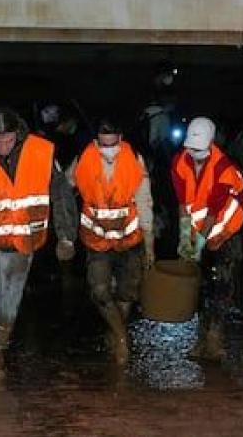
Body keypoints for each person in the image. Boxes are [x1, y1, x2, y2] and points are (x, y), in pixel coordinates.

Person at [0, 107, 78, 379]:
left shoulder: (42, 153)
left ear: (18, 134)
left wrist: (66, 236)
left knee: (9, 302)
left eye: (8, 139)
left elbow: (62, 195)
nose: (3, 145)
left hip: (23, 242)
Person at [68, 118, 155, 365]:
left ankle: (116, 331)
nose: (108, 150)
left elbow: (144, 200)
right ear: (96, 142)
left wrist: (149, 244)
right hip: (96, 241)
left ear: (121, 139)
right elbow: (65, 187)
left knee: (127, 294)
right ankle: (121, 339)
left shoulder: (134, 160)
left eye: (113, 144)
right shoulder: (83, 160)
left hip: (130, 239)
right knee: (100, 291)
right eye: (103, 145)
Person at [171, 116, 243, 361]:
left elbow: (214, 212)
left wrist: (203, 242)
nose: (194, 154)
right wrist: (185, 238)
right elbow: (183, 203)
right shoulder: (179, 163)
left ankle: (214, 340)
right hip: (201, 229)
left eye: (200, 150)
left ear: (212, 144)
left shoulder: (224, 169)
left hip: (227, 229)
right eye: (191, 149)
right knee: (202, 286)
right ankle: (201, 340)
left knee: (222, 286)